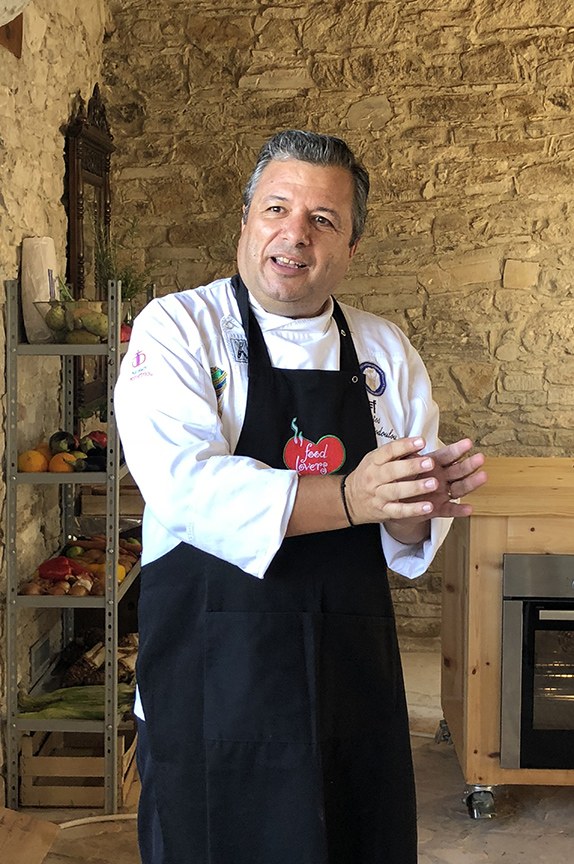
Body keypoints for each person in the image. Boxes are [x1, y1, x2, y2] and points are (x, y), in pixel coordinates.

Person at [114, 129, 487, 864]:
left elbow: (403, 537)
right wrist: (351, 497)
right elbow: (185, 487)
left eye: (323, 219)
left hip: (347, 680)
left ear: (351, 247)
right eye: (276, 208)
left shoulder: (385, 352)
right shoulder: (179, 328)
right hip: (210, 677)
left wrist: (419, 500)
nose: (295, 234)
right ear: (245, 220)